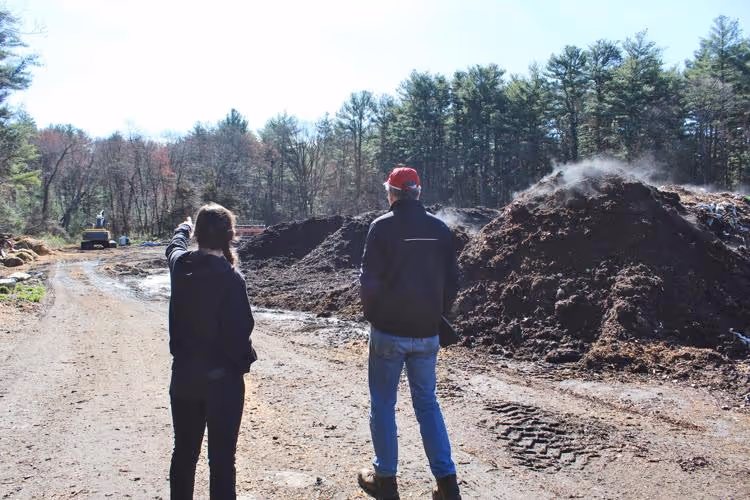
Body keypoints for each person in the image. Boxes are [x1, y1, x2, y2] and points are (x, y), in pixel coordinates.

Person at [358, 166, 461, 500]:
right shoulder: (439, 229)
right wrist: (436, 314)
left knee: (384, 404)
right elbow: (452, 282)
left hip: (389, 332)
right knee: (428, 404)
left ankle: (385, 481)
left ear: (393, 193)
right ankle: (447, 485)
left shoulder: (381, 228)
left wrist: (374, 316)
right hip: (427, 332)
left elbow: (368, 281)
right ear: (417, 193)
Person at [165, 203, 257, 499]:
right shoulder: (232, 278)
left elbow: (174, 246)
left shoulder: (181, 266)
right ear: (230, 236)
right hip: (223, 384)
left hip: (184, 379)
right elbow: (240, 334)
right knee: (221, 462)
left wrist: (183, 228)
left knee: (184, 454)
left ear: (198, 235)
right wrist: (243, 362)